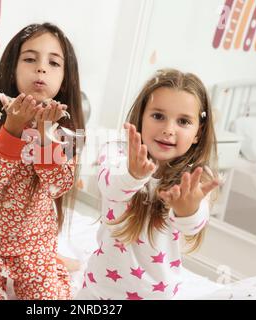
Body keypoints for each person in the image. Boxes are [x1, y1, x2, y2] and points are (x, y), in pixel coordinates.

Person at [0, 22, 85, 300]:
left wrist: (46, 136)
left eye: (53, 62)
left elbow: (58, 186)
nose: (41, 68)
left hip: (35, 244)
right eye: (30, 59)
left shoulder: (67, 125)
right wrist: (12, 129)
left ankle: (54, 262)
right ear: (12, 68)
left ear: (65, 77)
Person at [76, 68, 220, 300]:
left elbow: (193, 226)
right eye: (158, 116)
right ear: (141, 117)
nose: (168, 129)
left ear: (197, 133)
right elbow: (110, 186)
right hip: (98, 289)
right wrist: (133, 174)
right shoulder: (116, 152)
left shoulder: (196, 178)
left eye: (183, 121)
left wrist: (187, 210)